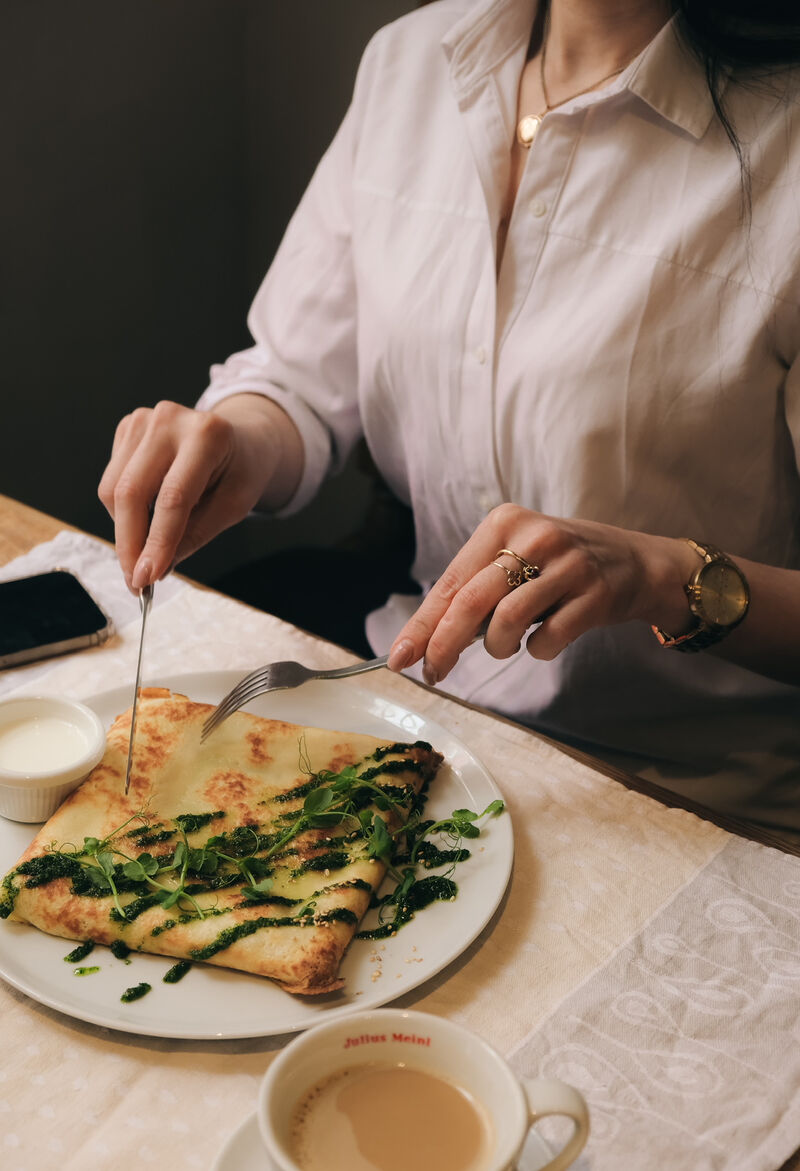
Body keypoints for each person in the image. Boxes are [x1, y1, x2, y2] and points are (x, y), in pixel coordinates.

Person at [99, 0, 800, 835]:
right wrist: (237, 438)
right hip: (429, 728)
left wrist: (660, 575)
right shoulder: (409, 63)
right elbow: (294, 376)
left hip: (690, 796)